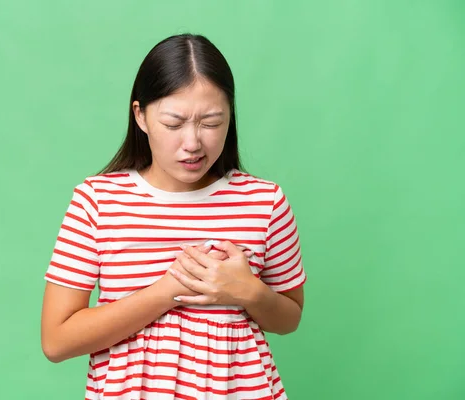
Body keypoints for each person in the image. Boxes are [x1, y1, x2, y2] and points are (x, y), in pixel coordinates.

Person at [40, 33, 307, 400]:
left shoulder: (265, 202)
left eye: (212, 122)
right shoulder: (98, 200)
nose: (193, 142)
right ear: (141, 116)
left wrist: (249, 292)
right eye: (173, 123)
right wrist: (167, 292)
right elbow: (57, 340)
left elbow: (289, 318)